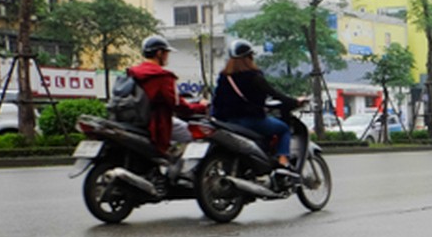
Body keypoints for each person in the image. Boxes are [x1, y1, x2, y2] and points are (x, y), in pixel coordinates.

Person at [211, 40, 305, 178]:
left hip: (227, 123)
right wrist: (295, 101)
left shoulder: (224, 77)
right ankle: (283, 161)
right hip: (251, 121)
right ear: (248, 58)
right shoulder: (254, 77)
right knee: (284, 129)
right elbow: (275, 94)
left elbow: (217, 100)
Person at [127, 35, 207, 166]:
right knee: (195, 134)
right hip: (157, 122)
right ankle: (182, 170)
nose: (167, 57)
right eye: (166, 53)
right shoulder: (162, 76)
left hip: (134, 121)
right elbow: (179, 106)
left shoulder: (132, 72)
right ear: (159, 53)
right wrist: (201, 107)